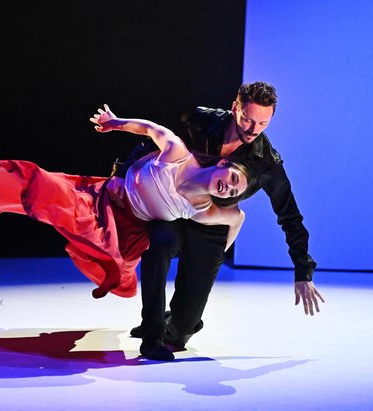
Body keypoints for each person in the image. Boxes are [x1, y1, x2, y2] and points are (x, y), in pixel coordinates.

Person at [0, 105, 250, 360]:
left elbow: (236, 219)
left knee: (118, 269)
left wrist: (215, 262)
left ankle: (153, 335)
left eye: (233, 191)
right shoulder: (178, 154)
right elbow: (152, 129)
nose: (227, 188)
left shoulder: (204, 208)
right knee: (42, 186)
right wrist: (115, 122)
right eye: (233, 178)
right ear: (222, 166)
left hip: (126, 229)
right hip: (102, 199)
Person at [121, 81, 325, 361]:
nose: (254, 129)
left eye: (263, 123)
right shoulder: (201, 120)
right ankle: (152, 331)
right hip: (175, 208)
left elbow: (289, 215)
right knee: (160, 242)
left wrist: (303, 270)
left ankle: (176, 323)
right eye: (248, 119)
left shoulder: (266, 162)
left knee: (181, 333)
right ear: (234, 108)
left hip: (211, 226)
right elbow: (152, 140)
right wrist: (123, 172)